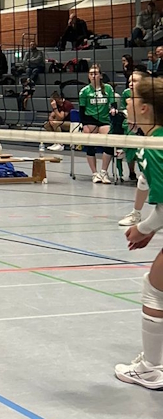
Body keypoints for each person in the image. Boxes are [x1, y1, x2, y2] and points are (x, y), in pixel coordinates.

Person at [115, 74, 163, 390]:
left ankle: (150, 369)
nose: (126, 104)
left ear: (144, 108)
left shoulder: (155, 146)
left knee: (154, 291)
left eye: (131, 99)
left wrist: (141, 229)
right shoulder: (153, 139)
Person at [119, 69, 149, 227]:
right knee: (144, 178)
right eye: (130, 80)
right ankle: (136, 214)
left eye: (135, 80)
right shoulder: (131, 100)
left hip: (157, 140)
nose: (131, 83)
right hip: (148, 140)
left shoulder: (152, 100)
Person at [80, 64, 116, 184]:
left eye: (95, 73)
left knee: (110, 141)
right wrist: (84, 125)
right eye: (91, 74)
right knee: (90, 144)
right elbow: (82, 111)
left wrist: (113, 109)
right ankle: (94, 173)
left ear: (100, 76)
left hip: (104, 120)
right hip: (90, 120)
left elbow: (113, 104)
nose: (93, 76)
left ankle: (103, 172)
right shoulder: (84, 91)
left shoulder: (108, 88)